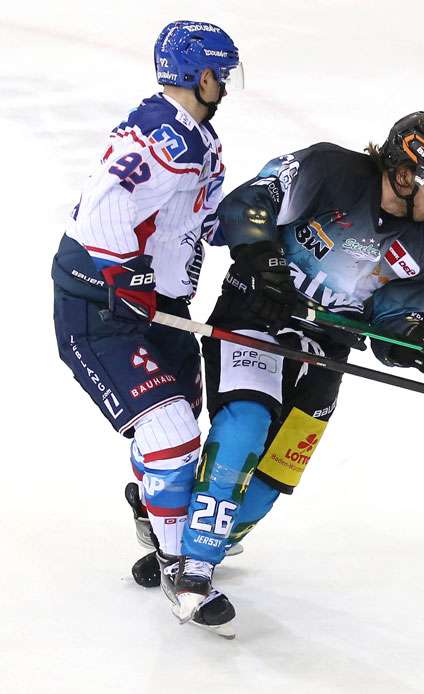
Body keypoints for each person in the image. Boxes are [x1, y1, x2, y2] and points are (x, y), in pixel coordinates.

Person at [168, 111, 424, 626]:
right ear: (404, 172)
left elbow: (392, 332)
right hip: (255, 319)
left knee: (268, 484)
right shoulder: (326, 169)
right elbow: (249, 203)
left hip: (325, 354)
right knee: (244, 428)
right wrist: (262, 259)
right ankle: (192, 569)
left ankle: (184, 532)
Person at [50, 21, 243, 635]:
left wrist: (266, 247)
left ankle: (151, 507)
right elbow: (104, 210)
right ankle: (175, 562)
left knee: (179, 424)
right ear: (203, 75)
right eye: (223, 74)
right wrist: (123, 279)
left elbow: (202, 221)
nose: (227, 86)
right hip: (103, 310)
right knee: (173, 433)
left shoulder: (198, 139)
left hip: (162, 305)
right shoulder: (165, 140)